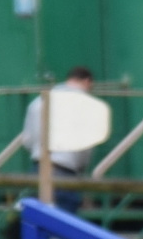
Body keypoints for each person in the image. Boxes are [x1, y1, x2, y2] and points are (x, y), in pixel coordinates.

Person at [24, 67, 102, 207]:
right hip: (65, 171)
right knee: (61, 221)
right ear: (87, 81)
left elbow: (27, 141)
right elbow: (85, 149)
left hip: (37, 168)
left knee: (37, 219)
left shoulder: (38, 101)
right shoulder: (86, 105)